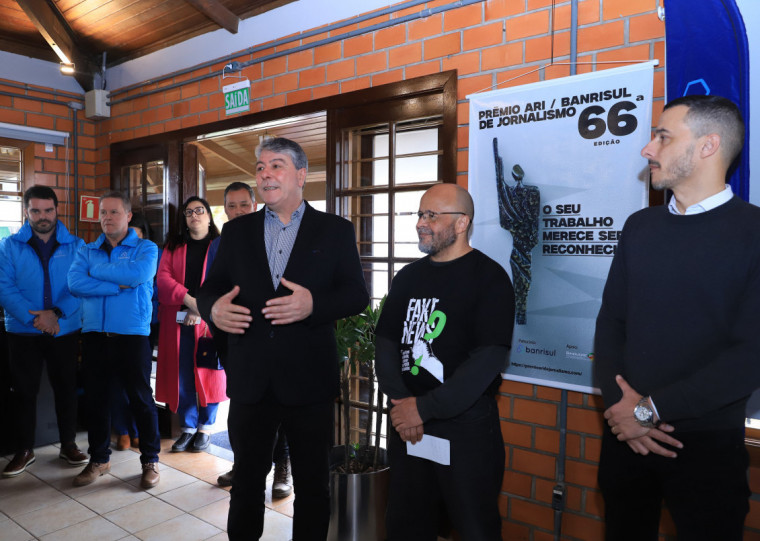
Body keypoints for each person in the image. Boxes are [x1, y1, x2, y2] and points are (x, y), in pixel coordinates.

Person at [594, 95, 759, 541]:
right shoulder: (639, 227)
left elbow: (750, 356)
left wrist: (648, 411)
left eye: (663, 137)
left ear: (708, 146)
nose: (648, 149)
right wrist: (624, 411)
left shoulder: (753, 233)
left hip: (706, 447)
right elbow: (610, 324)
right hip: (625, 439)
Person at [197, 137, 368, 540]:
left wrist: (314, 305)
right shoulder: (236, 231)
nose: (265, 174)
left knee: (312, 486)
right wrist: (213, 309)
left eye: (276, 165)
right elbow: (210, 288)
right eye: (260, 167)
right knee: (246, 483)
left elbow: (356, 294)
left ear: (301, 175)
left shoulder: (335, 230)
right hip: (251, 379)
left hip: (309, 381)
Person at [375, 183, 514, 540]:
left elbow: (487, 359)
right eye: (420, 214)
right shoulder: (408, 277)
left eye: (432, 215)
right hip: (406, 421)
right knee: (406, 525)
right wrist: (403, 404)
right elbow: (386, 342)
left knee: (474, 527)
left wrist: (424, 409)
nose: (421, 223)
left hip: (464, 425)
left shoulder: (490, 279)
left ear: (461, 223)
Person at [68, 191, 161, 489]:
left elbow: (138, 274)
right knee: (97, 400)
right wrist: (114, 285)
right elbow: (74, 283)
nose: (107, 218)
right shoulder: (87, 249)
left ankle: (150, 461)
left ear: (128, 216)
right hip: (94, 335)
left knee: (141, 399)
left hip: (132, 335)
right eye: (103, 213)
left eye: (114, 212)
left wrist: (96, 273)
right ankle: (99, 459)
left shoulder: (146, 248)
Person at [0, 185, 88, 477]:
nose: (43, 216)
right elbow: (4, 288)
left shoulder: (76, 245)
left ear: (57, 209)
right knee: (24, 392)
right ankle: (24, 450)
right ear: (26, 211)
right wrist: (37, 320)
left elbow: (80, 286)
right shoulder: (8, 246)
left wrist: (56, 314)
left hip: (64, 329)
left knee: (66, 389)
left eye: (48, 210)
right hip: (23, 332)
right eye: (36, 211)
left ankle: (68, 445)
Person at [213, 182, 293, 499]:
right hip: (235, 340)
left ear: (255, 204)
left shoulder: (273, 235)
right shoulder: (221, 242)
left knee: (281, 406)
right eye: (231, 206)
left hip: (276, 338)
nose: (238, 212)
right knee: (242, 412)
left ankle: (283, 466)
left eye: (243, 205)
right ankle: (242, 464)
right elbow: (211, 289)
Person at [156, 196, 226, 453]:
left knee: (210, 372)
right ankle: (187, 428)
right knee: (182, 373)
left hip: (210, 322)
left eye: (199, 210)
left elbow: (224, 281)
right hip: (178, 320)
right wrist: (189, 301)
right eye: (188, 212)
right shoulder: (173, 247)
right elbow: (163, 279)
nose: (194, 215)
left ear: (209, 215)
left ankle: (205, 428)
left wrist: (200, 309)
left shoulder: (221, 246)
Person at [109, 213, 154, 452]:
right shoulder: (111, 255)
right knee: (117, 383)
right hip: (114, 327)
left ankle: (138, 432)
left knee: (139, 385)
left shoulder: (151, 254)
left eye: (137, 235)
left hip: (143, 327)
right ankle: (123, 431)